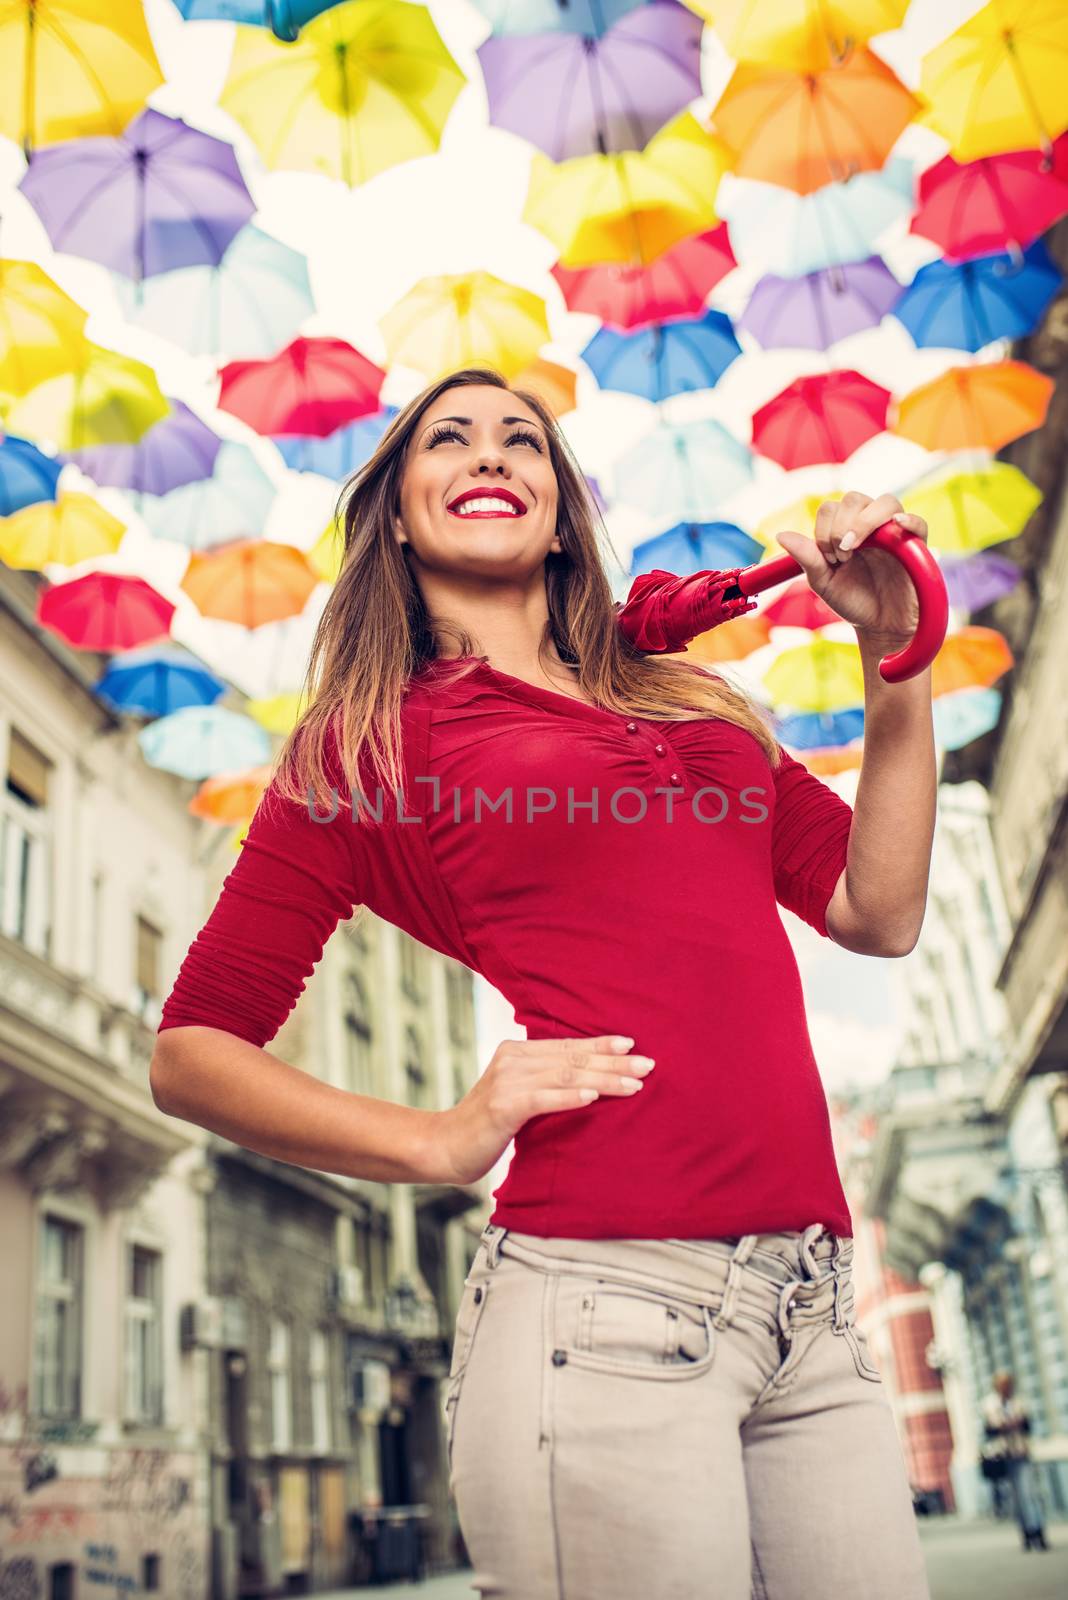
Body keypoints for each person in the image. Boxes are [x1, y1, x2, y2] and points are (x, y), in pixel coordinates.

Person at [152, 367, 937, 1600]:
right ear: (400, 515)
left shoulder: (694, 703)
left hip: (811, 1312)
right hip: (603, 1311)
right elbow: (193, 1046)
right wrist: (442, 1138)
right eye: (450, 439)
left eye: (525, 441)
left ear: (563, 514)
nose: (492, 453)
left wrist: (897, 658)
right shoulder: (368, 738)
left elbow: (875, 908)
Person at [981, 1370, 1049, 1551]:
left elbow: (1028, 1426)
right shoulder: (990, 1404)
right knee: (1016, 1499)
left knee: (1030, 1494)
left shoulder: (1019, 1402)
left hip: (1021, 1454)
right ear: (997, 1386)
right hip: (1003, 1457)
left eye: (1008, 1384)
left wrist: (1019, 1423)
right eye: (1002, 1384)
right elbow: (987, 1431)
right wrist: (1000, 1426)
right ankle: (1025, 1534)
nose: (1006, 1387)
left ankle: (1038, 1532)